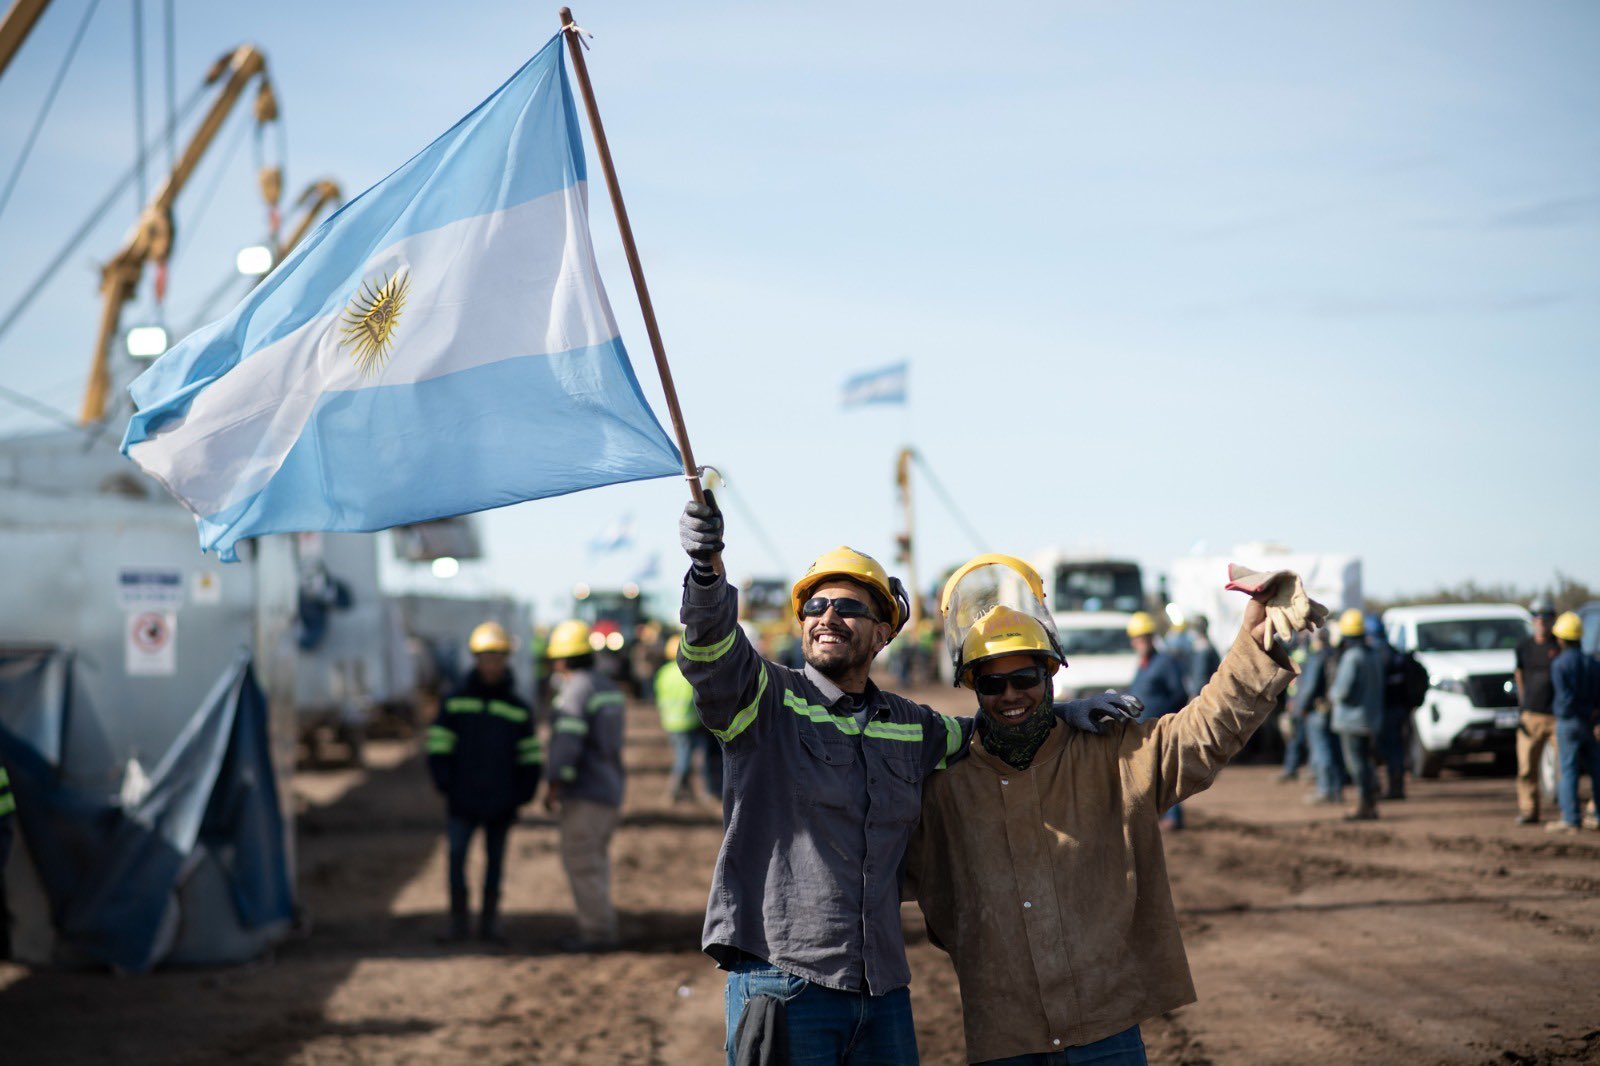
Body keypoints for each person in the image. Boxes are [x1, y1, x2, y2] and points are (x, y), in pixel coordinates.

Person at [675, 500, 1137, 1066]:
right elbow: (709, 652)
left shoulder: (909, 725)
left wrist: (1063, 710)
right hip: (784, 982)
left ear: (883, 633)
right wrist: (706, 571)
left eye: (848, 607)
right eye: (816, 605)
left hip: (883, 992)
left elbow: (988, 733)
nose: (827, 617)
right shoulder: (765, 701)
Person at [907, 562, 1320, 1065]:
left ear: (1051, 673)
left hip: (1106, 1035)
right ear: (973, 689)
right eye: (993, 685)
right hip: (1004, 1037)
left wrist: (1253, 645)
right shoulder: (946, 785)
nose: (1011, 695)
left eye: (1024, 677)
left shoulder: (1113, 756)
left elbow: (1204, 733)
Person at [425, 621, 542, 943]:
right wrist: (445, 783)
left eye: (497, 657)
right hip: (462, 800)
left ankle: (489, 925)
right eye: (485, 657)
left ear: (505, 660)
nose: (491, 664)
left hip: (501, 803)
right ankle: (458, 925)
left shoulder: (518, 709)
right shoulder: (455, 701)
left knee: (494, 865)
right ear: (475, 659)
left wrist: (521, 794)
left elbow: (530, 756)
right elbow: (438, 745)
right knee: (456, 860)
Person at [544, 618, 628, 950]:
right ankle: (600, 925)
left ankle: (596, 934)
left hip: (585, 793)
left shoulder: (575, 690)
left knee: (583, 863)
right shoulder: (606, 686)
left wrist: (554, 782)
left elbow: (567, 742)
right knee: (596, 863)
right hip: (609, 789)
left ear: (562, 659)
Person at [1127, 611, 1190, 829]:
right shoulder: (1143, 665)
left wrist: (1166, 719)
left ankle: (1174, 817)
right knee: (1151, 774)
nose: (1141, 642)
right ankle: (1160, 815)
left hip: (1161, 728)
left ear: (1152, 637)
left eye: (1145, 637)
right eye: (1138, 638)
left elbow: (1179, 694)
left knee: (1167, 772)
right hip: (1143, 731)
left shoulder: (1164, 662)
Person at [1546, 612, 1600, 835]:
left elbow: (1565, 698)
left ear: (1561, 638)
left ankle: (1570, 819)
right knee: (1597, 770)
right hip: (1590, 722)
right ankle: (1597, 816)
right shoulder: (1592, 663)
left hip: (1568, 723)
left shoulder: (1559, 664)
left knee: (1568, 770)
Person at [1329, 609, 1385, 821]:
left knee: (1357, 764)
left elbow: (1341, 692)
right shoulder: (1374, 655)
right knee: (1367, 763)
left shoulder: (1352, 657)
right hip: (1372, 718)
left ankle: (1364, 806)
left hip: (1352, 721)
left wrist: (1330, 695)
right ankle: (1370, 803)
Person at [655, 636, 722, 802]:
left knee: (681, 754)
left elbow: (659, 696)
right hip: (689, 721)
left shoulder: (663, 672)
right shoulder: (690, 672)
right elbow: (697, 699)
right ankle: (675, 790)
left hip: (670, 721)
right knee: (689, 757)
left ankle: (688, 789)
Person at [1514, 598, 1561, 824]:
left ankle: (1568, 813)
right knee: (1526, 768)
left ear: (1553, 619)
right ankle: (1528, 810)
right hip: (1531, 715)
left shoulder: (1559, 647)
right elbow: (1519, 674)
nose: (1541, 621)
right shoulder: (1523, 647)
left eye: (1546, 616)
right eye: (1536, 616)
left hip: (1557, 716)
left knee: (1564, 768)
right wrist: (1523, 706)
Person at [1296, 628, 1345, 804]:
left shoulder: (1317, 657)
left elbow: (1310, 686)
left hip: (1318, 711)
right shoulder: (1336, 654)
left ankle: (1325, 790)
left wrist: (1301, 708)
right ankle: (1337, 790)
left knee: (1321, 750)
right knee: (1335, 750)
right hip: (1335, 710)